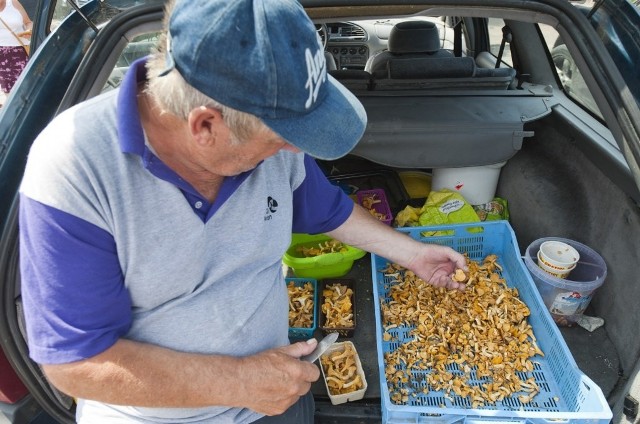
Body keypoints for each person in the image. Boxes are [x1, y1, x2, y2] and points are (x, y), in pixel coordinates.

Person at [18, 0, 467, 423]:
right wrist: (237, 381)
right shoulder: (74, 169)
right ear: (206, 126)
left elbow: (328, 211)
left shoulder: (267, 140)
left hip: (276, 400)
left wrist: (412, 254)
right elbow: (74, 364)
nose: (296, 150)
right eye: (281, 138)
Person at [0, 0, 30, 96]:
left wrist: (29, 30)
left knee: (26, 88)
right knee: (8, 94)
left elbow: (28, 22)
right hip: (1, 56)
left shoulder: (13, 3)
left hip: (20, 52)